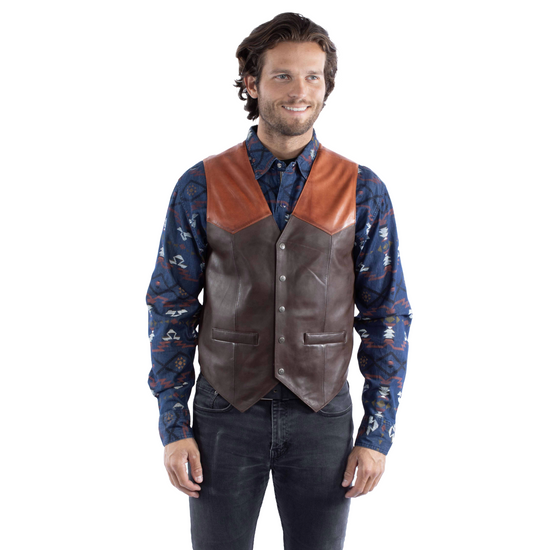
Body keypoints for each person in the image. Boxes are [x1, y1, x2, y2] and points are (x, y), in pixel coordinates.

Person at [146, 12, 412, 550]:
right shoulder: (200, 184)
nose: (300, 90)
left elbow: (386, 312)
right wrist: (174, 427)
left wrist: (377, 434)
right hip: (223, 413)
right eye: (283, 75)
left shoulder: (363, 189)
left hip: (323, 415)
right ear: (252, 83)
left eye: (313, 76)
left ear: (327, 86)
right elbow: (171, 305)